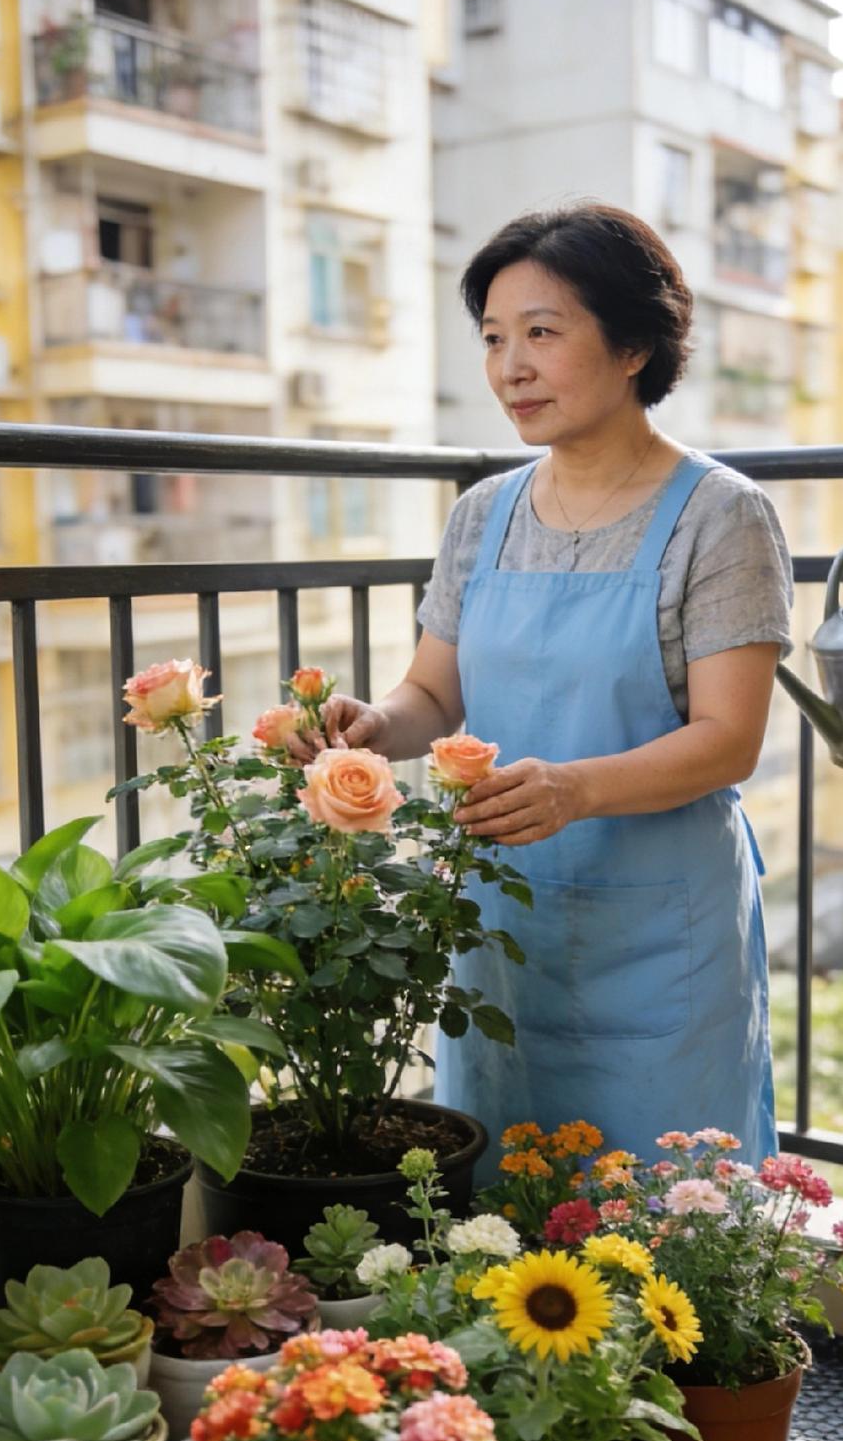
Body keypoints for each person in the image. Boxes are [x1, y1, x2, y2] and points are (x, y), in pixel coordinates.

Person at [294, 201, 794, 1176]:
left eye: (540, 332)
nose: (508, 366)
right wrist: (369, 725)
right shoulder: (483, 514)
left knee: (667, 1214)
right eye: (490, 338)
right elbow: (431, 697)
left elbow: (728, 738)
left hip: (660, 934)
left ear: (633, 346)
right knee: (505, 1202)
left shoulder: (721, 516)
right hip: (502, 925)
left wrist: (575, 789)